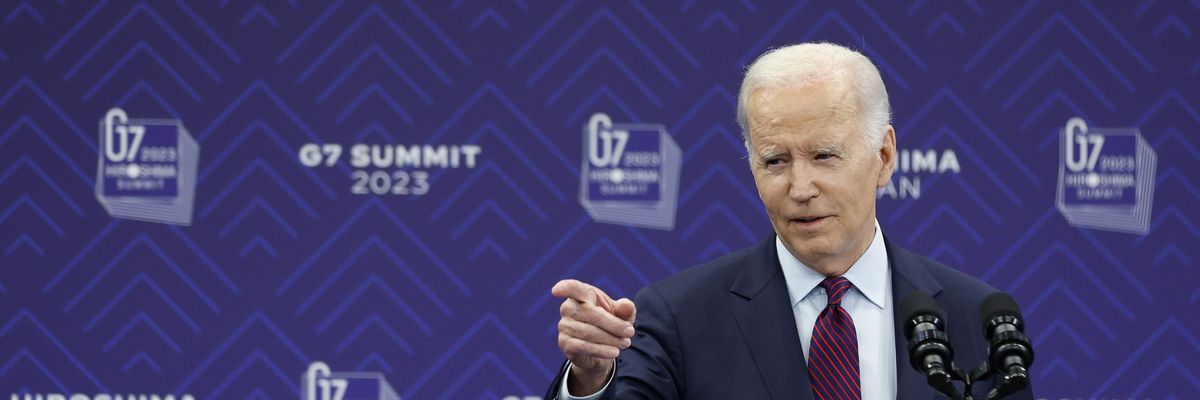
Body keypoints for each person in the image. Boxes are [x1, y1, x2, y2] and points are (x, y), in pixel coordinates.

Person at [543, 42, 1034, 399]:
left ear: (883, 157)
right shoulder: (679, 318)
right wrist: (590, 380)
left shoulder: (975, 318)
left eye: (824, 155)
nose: (800, 188)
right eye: (775, 161)